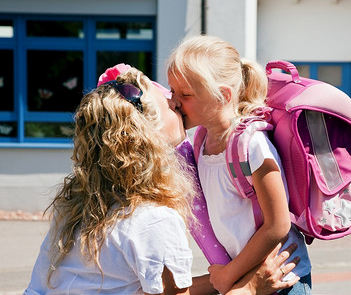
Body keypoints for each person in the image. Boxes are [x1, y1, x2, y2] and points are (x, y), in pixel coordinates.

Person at [24, 64, 300, 295]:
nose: (177, 103)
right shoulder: (152, 220)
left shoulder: (78, 206)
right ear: (150, 136)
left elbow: (160, 290)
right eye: (172, 104)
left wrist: (225, 279)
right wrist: (250, 287)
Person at [167, 35, 312, 294]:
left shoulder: (251, 144)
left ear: (222, 96)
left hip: (281, 279)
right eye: (172, 91)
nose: (174, 101)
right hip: (244, 279)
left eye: (185, 94)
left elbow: (278, 224)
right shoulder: (201, 141)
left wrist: (229, 275)